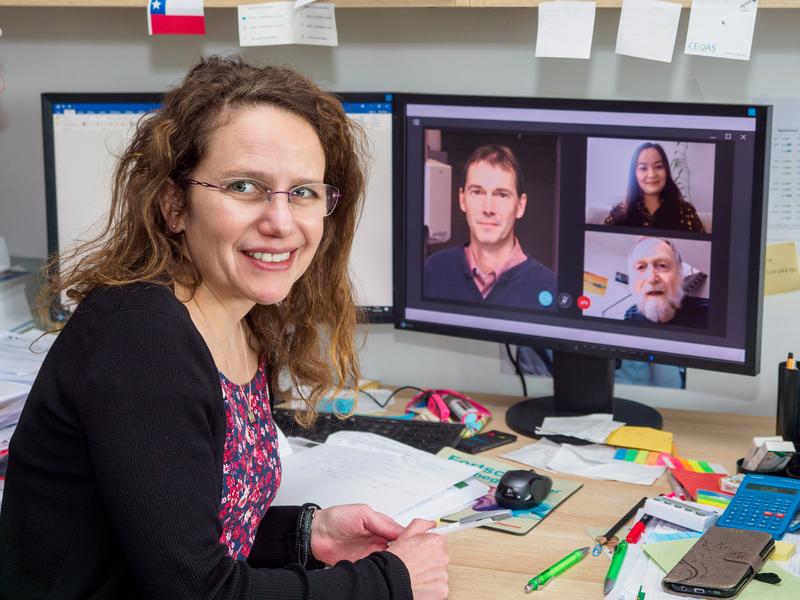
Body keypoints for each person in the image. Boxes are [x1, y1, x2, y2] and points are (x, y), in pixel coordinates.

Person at [0, 56, 448, 600]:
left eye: (303, 191)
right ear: (174, 205)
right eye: (244, 186)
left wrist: (307, 535)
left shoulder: (243, 322)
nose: (281, 222)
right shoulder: (145, 338)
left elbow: (184, 536)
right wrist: (391, 581)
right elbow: (198, 593)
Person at [424, 145, 556, 309]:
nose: (488, 209)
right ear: (462, 199)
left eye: (501, 195)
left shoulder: (550, 288)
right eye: (477, 192)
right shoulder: (432, 271)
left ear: (520, 206)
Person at [604, 142, 706, 232]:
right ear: (634, 174)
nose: (652, 174)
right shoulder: (620, 212)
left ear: (666, 171)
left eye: (658, 167)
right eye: (643, 168)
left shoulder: (685, 211)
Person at [624, 237, 709, 328]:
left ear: (679, 274)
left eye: (662, 265)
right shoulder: (630, 315)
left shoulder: (710, 312)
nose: (651, 278)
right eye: (641, 267)